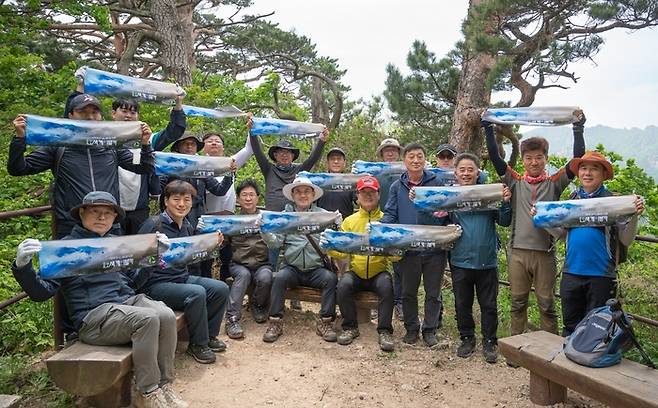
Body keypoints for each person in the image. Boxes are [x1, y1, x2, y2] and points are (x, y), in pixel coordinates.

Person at [12, 191, 187, 408]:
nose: (102, 217)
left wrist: (156, 256)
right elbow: (41, 293)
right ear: (82, 213)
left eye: (108, 213)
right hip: (94, 317)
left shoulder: (116, 243)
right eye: (95, 212)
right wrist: (23, 267)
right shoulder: (66, 249)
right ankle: (148, 391)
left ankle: (164, 385)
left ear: (114, 218)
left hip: (125, 303)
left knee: (166, 315)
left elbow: (134, 281)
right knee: (148, 319)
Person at [482, 111, 586, 336]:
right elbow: (496, 158)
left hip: (544, 253)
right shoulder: (515, 182)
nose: (534, 162)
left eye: (539, 157)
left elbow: (577, 161)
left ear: (545, 158)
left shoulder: (554, 183)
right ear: (523, 160)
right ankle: (516, 348)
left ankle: (548, 351)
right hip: (518, 252)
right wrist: (488, 129)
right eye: (529, 158)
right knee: (518, 302)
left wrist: (578, 129)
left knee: (547, 305)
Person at [9, 94, 155, 238]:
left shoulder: (112, 147)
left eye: (94, 112)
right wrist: (19, 138)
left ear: (101, 117)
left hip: (108, 224)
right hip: (71, 226)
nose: (90, 117)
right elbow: (18, 168)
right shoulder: (57, 147)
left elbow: (143, 168)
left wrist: (146, 144)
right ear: (71, 115)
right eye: (83, 112)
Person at [533, 151, 644, 336]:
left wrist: (633, 216)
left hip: (601, 275)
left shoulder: (613, 203)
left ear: (603, 175)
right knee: (570, 327)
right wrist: (543, 220)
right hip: (571, 273)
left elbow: (626, 240)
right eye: (583, 168)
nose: (587, 173)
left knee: (597, 330)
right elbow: (561, 234)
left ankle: (590, 363)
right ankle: (566, 363)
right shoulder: (572, 200)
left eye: (594, 169)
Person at [66, 76, 187, 235]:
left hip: (138, 209)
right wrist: (79, 89)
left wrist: (177, 103)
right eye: (124, 110)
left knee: (137, 252)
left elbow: (174, 131)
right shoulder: (99, 139)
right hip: (109, 210)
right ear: (113, 113)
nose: (128, 115)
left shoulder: (147, 139)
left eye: (133, 112)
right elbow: (70, 128)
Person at [139, 180, 229, 365]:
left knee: (220, 288)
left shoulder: (187, 226)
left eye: (186, 199)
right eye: (176, 199)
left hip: (181, 278)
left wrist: (213, 244)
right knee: (197, 293)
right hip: (155, 285)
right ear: (165, 201)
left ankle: (209, 336)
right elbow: (136, 261)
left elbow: (194, 255)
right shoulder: (154, 225)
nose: (181, 204)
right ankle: (198, 344)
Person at [380, 143, 447, 347]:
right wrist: (380, 227)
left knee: (433, 292)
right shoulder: (396, 186)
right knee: (408, 292)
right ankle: (411, 329)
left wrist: (424, 205)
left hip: (434, 248)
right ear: (404, 161)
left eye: (419, 156)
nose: (416, 160)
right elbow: (391, 213)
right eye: (411, 157)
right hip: (408, 249)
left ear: (425, 160)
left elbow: (444, 216)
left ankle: (429, 330)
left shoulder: (437, 183)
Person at [448, 153, 512, 363]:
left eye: (470, 170)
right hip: (459, 259)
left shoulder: (489, 194)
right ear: (455, 173)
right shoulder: (449, 197)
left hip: (487, 260)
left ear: (478, 172)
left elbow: (504, 221)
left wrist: (504, 202)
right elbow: (437, 220)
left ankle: (490, 342)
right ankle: (467, 338)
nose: (466, 174)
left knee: (489, 305)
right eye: (462, 170)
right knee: (462, 303)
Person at [262, 177, 338, 343]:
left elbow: (333, 242)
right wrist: (264, 230)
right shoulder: (285, 217)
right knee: (279, 278)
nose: (303, 195)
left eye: (306, 192)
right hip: (292, 268)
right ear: (293, 194)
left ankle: (325, 322)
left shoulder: (324, 216)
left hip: (316, 269)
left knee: (331, 279)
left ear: (313, 195)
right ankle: (275, 322)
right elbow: (275, 243)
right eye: (298, 192)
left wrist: (337, 224)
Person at [329, 175, 396, 352]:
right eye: (363, 192)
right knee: (343, 285)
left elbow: (396, 257)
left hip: (378, 271)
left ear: (379, 194)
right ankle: (350, 327)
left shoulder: (386, 220)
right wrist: (330, 248)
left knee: (387, 285)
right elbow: (341, 251)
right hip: (356, 271)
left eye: (371, 192)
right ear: (357, 196)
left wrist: (399, 251)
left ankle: (384, 331)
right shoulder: (349, 221)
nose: (368, 196)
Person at [222, 179, 273, 339]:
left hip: (262, 264)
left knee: (266, 277)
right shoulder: (233, 222)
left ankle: (257, 305)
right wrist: (219, 239)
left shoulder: (266, 219)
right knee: (242, 276)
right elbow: (224, 243)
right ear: (238, 199)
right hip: (239, 264)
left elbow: (275, 239)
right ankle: (232, 319)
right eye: (244, 195)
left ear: (258, 198)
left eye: (252, 195)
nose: (248, 198)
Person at [200, 132, 254, 280]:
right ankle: (208, 292)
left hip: (229, 219)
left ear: (223, 146)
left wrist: (251, 127)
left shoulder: (231, 162)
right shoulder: (198, 164)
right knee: (206, 259)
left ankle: (226, 295)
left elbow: (249, 149)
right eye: (209, 141)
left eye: (217, 141)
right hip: (207, 219)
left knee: (228, 259)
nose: (214, 143)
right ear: (203, 146)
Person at [248, 118, 328, 211]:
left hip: (292, 217)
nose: (284, 155)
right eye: (281, 152)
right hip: (273, 218)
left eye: (288, 152)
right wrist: (252, 131)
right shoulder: (268, 169)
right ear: (275, 155)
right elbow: (258, 152)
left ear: (293, 155)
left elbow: (312, 159)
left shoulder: (299, 170)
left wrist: (322, 141)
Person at [374, 137, 404, 321]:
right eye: (387, 150)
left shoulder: (406, 173)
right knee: (376, 262)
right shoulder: (375, 173)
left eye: (393, 149)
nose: (390, 152)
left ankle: (399, 302)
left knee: (399, 264)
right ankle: (375, 303)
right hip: (379, 221)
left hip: (402, 224)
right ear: (382, 154)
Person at [316, 147, 356, 219]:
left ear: (344, 163)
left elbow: (360, 201)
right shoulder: (319, 181)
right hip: (323, 225)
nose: (336, 161)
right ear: (327, 163)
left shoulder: (351, 181)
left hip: (345, 226)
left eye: (339, 159)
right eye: (332, 159)